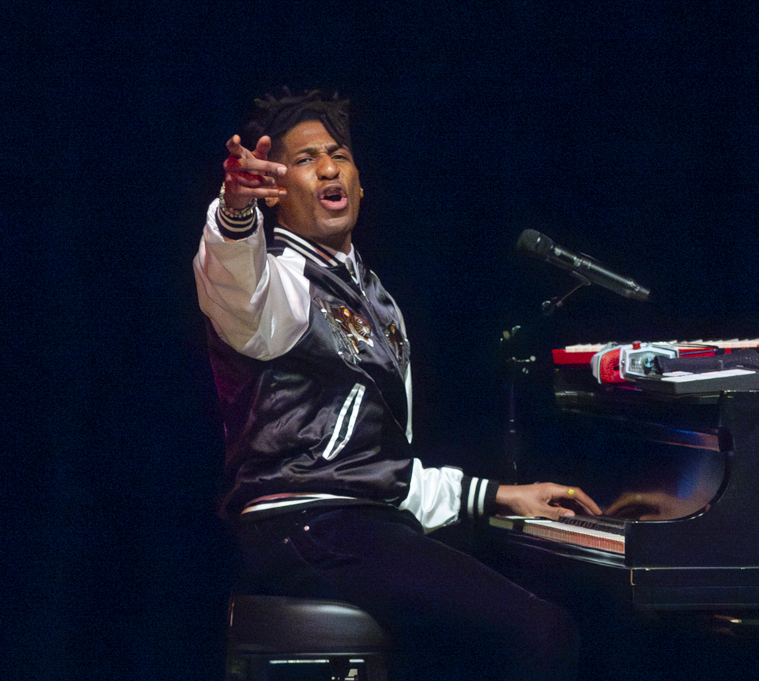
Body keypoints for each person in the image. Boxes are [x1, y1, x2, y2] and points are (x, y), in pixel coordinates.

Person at [193, 89, 601, 681]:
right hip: (307, 525)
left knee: (494, 626)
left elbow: (383, 473)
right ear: (274, 191)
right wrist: (234, 213)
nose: (328, 167)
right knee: (543, 633)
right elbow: (235, 282)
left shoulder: (377, 302)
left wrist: (499, 496)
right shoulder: (279, 282)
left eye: (338, 155)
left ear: (361, 185)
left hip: (358, 524)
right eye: (305, 160)